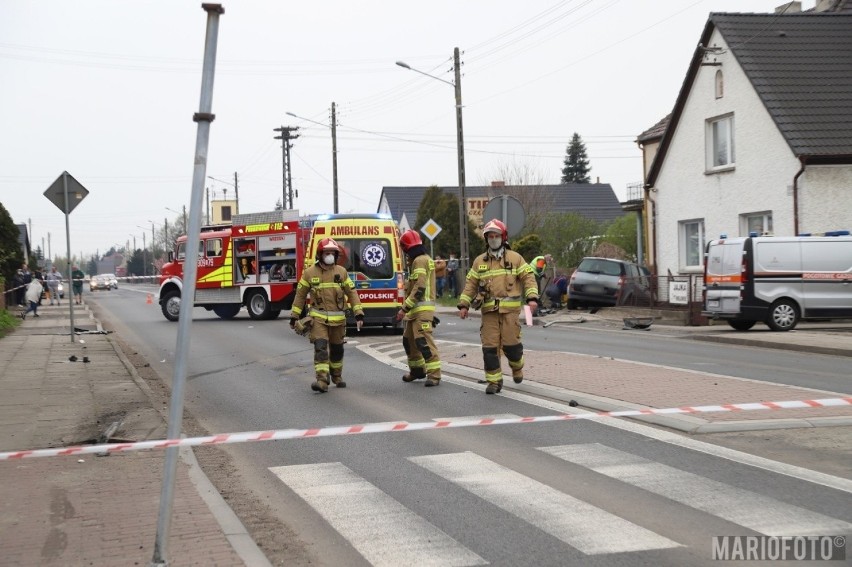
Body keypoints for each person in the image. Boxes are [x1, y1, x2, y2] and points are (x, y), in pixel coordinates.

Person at [457, 219, 539, 394]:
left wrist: (532, 298)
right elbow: (470, 284)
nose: (493, 239)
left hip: (510, 313)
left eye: (496, 235)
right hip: (489, 313)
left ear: (503, 237)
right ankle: (494, 382)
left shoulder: (515, 258)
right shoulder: (479, 262)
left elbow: (528, 278)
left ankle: (517, 368)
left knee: (512, 347)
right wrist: (463, 304)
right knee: (489, 348)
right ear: (486, 239)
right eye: (490, 236)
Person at [290, 237, 364, 393]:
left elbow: (351, 292)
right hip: (318, 319)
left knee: (337, 350)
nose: (330, 255)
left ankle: (337, 376)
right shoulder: (310, 273)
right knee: (321, 347)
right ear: (320, 254)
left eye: (333, 253)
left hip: (338, 321)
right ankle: (322, 380)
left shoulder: (341, 272)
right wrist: (294, 316)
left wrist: (359, 313)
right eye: (327, 252)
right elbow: (300, 295)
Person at [397, 230, 442, 387]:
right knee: (408, 340)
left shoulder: (420, 261)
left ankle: (434, 375)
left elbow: (420, 287)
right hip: (415, 311)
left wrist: (404, 308)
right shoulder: (419, 260)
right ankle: (417, 371)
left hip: (420, 309)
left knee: (423, 341)